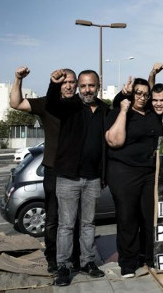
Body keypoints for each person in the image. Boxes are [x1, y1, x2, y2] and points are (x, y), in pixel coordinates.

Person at [9, 66, 80, 274]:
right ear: (57, 83)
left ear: (76, 84)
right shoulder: (46, 103)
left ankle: (74, 256)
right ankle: (52, 257)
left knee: (75, 217)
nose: (68, 85)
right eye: (63, 81)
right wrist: (18, 79)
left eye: (71, 81)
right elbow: (16, 103)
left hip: (77, 170)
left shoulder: (80, 104)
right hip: (53, 170)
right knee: (53, 217)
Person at [46, 69, 108, 286]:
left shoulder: (103, 109)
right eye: (83, 86)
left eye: (91, 85)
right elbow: (52, 105)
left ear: (98, 86)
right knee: (66, 225)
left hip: (92, 179)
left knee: (89, 224)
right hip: (68, 177)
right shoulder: (71, 106)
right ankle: (63, 267)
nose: (87, 90)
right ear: (78, 88)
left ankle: (87, 262)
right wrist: (54, 84)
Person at [105, 78, 162, 278]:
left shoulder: (152, 116)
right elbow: (114, 141)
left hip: (148, 173)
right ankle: (128, 263)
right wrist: (123, 110)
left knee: (149, 217)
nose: (142, 97)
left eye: (146, 94)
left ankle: (149, 257)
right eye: (138, 93)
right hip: (124, 172)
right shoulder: (119, 113)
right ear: (131, 93)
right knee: (128, 218)